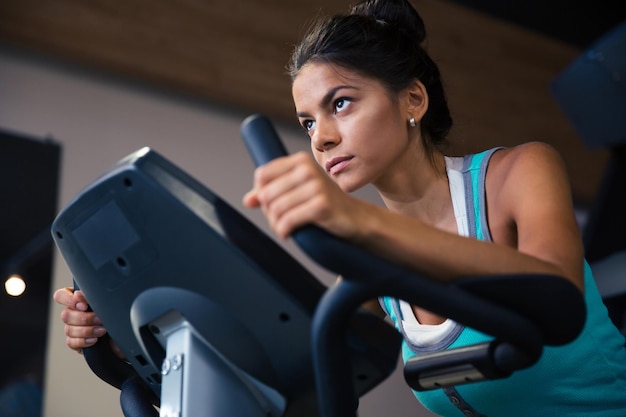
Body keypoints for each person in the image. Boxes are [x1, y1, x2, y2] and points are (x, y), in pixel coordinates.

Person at [54, 0, 626, 415]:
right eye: (307, 122)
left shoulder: (518, 173)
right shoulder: (366, 263)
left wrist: (363, 225)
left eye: (342, 104)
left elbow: (558, 295)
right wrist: (124, 344)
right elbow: (298, 369)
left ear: (413, 99)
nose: (320, 138)